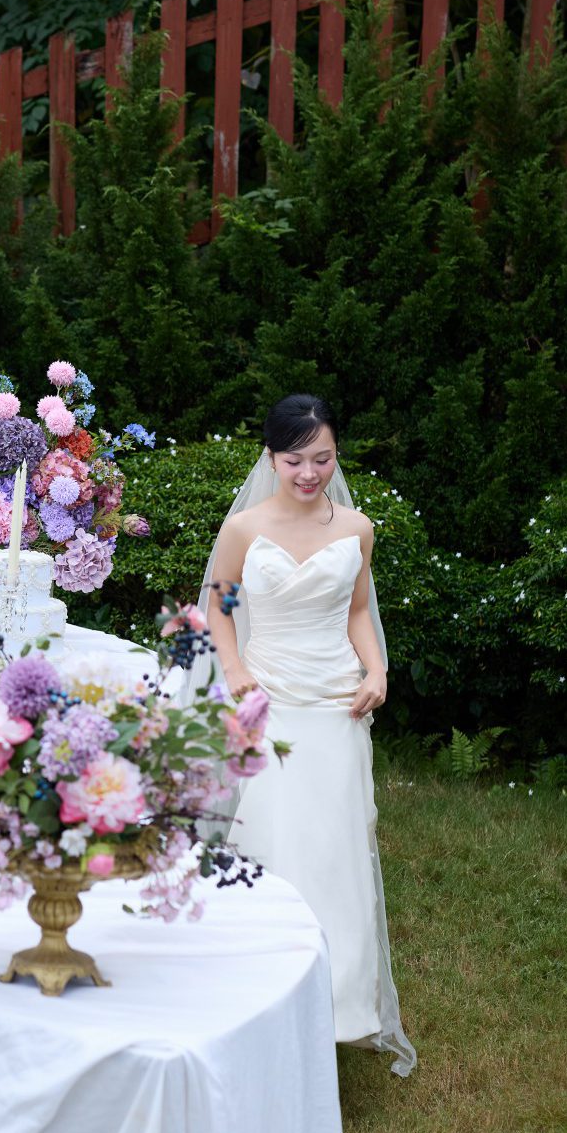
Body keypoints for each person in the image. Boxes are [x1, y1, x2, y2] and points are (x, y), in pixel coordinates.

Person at [203, 394, 416, 1075]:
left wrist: (376, 668)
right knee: (270, 845)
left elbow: (357, 610)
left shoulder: (356, 528)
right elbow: (220, 605)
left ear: (335, 456)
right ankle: (254, 1005)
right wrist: (234, 669)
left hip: (334, 706)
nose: (308, 473)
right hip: (267, 699)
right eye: (294, 459)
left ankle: (334, 1012)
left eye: (321, 458)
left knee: (334, 853)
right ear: (270, 458)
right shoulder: (243, 528)